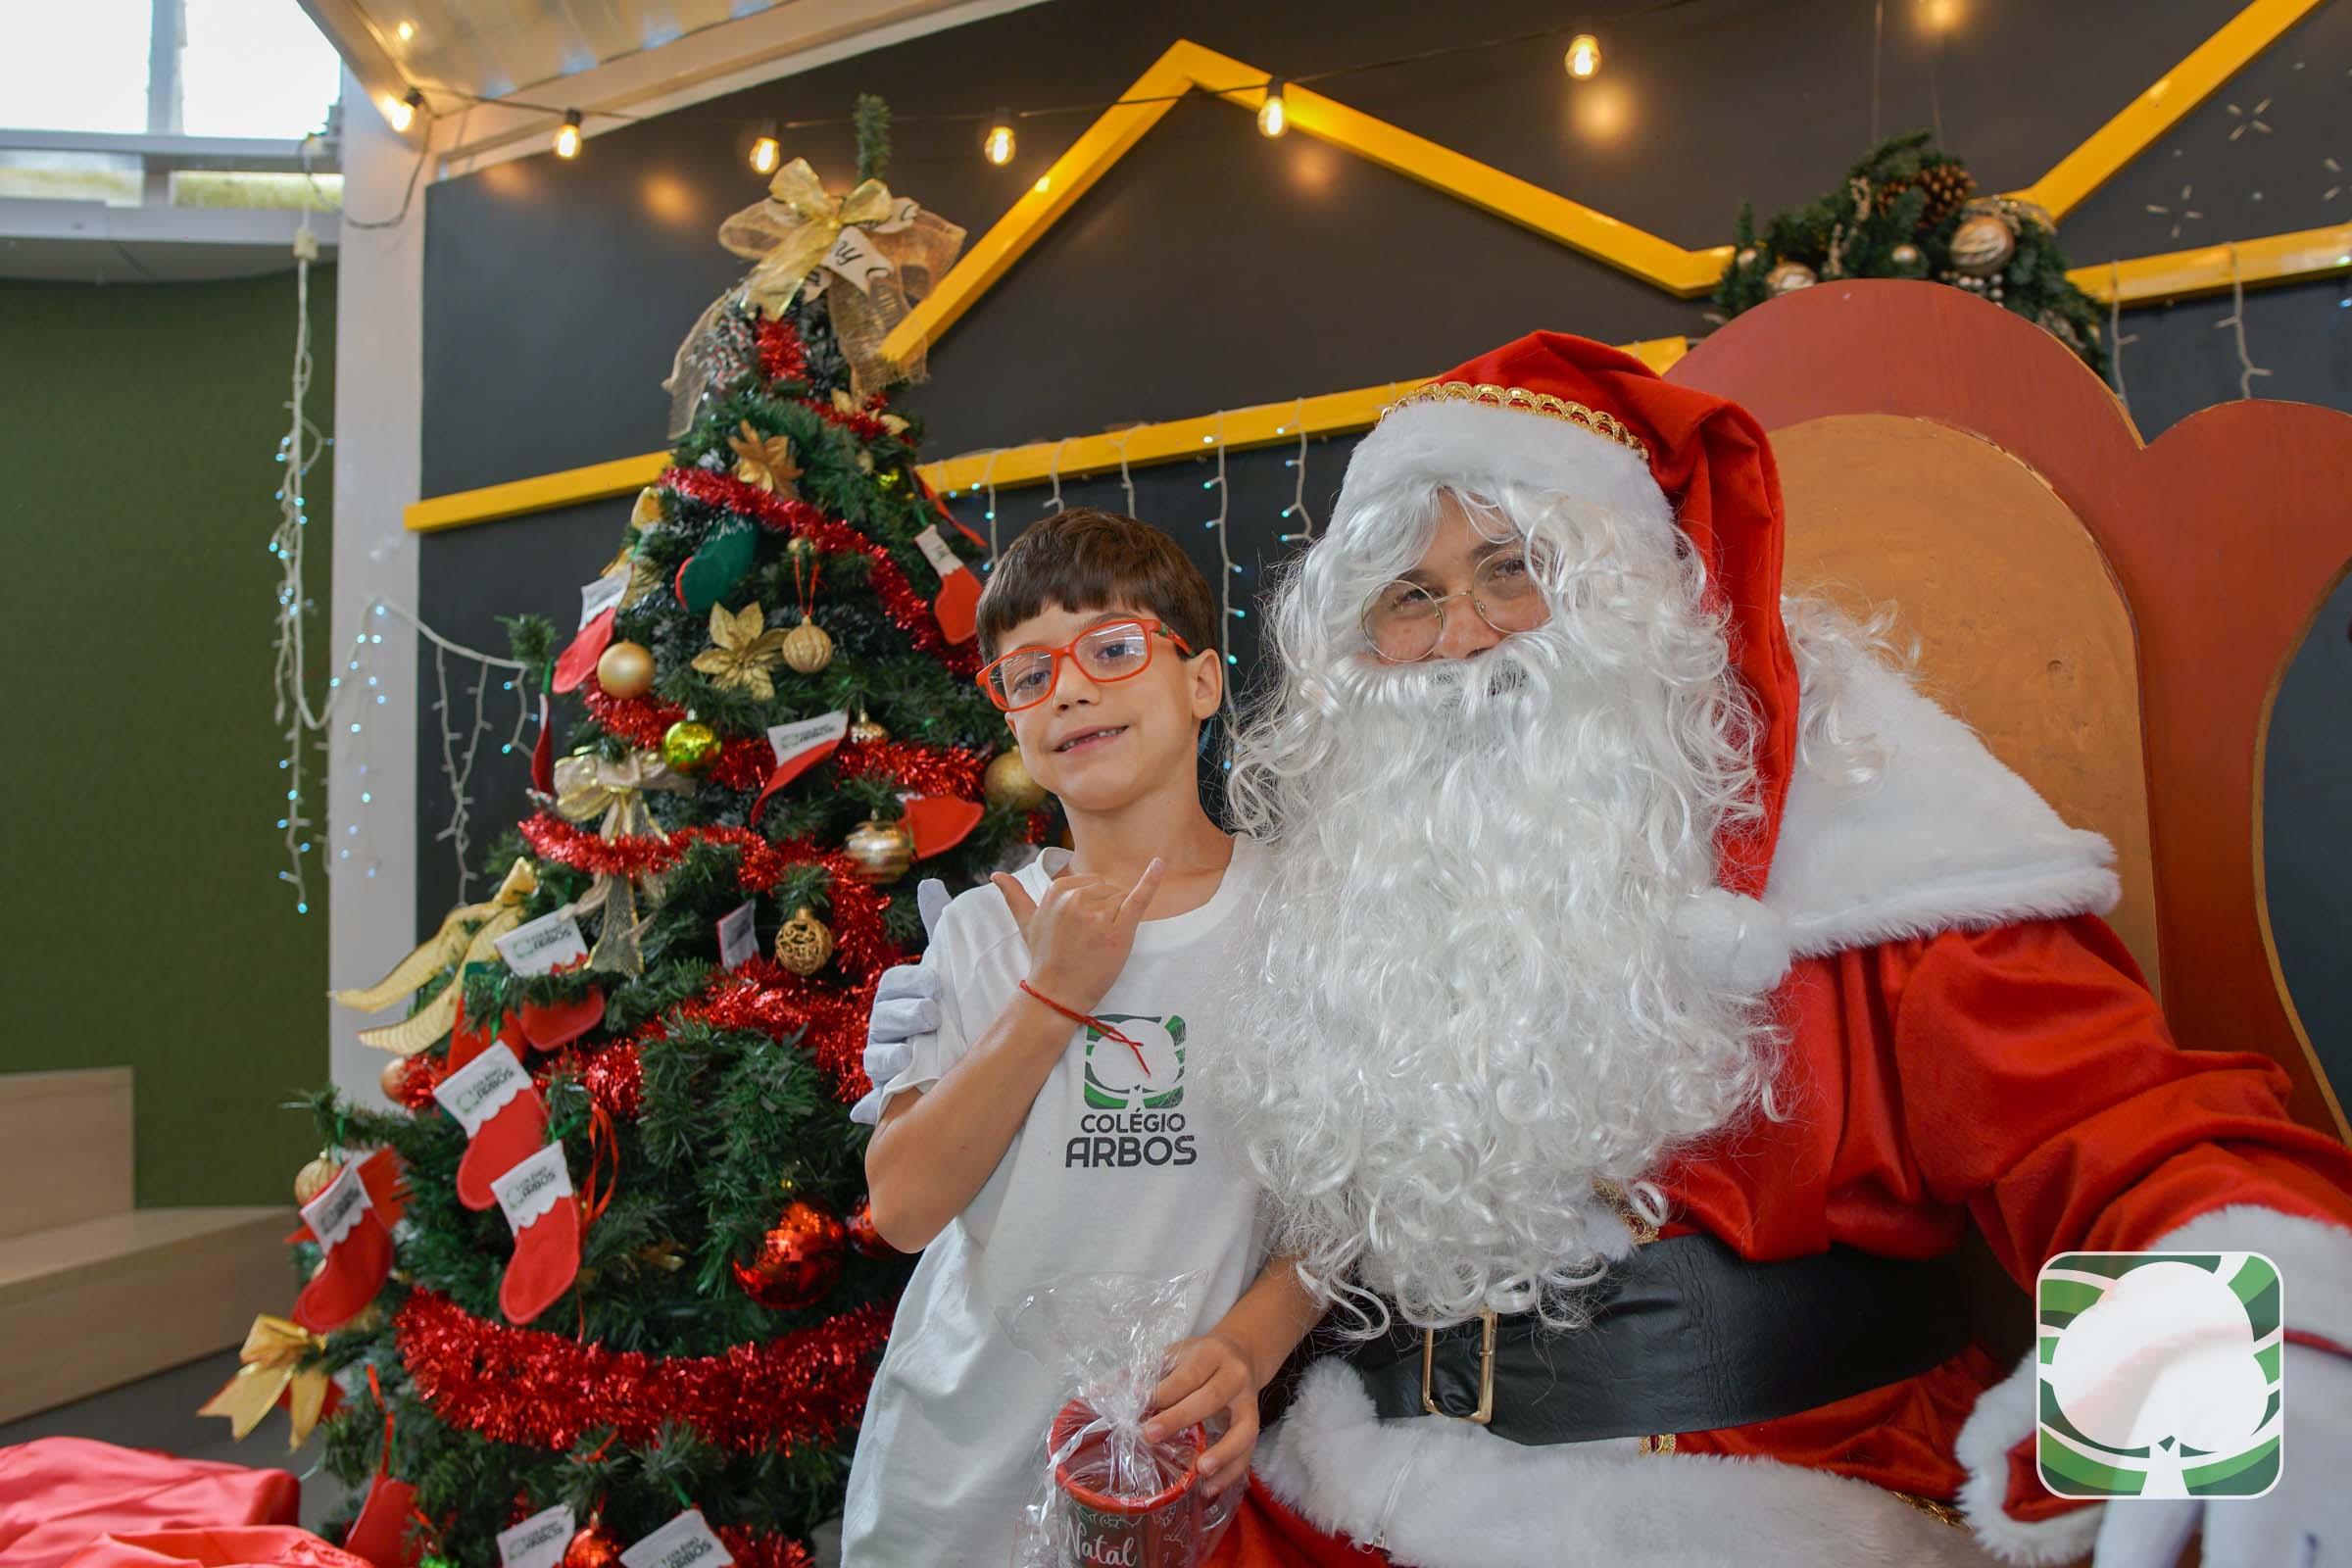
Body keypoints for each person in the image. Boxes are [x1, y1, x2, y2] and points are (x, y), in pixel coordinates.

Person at [869, 335, 2352, 1568]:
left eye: (1512, 571)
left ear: (1632, 600)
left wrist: (2227, 1406)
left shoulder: (1857, 852)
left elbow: (2136, 1148)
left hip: (1764, 1496)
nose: (1461, 638)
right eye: (1409, 597)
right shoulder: (1355, 894)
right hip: (1354, 1485)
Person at [840, 509, 1321, 1567]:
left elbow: (1351, 1207)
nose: (1068, 689)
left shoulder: (1302, 919)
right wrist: (1054, 993)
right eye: (1028, 674)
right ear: (1014, 722)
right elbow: (905, 1208)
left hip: (1172, 1473)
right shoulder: (979, 932)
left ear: (1201, 683)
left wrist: (1248, 1345)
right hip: (953, 1481)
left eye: (1111, 650)